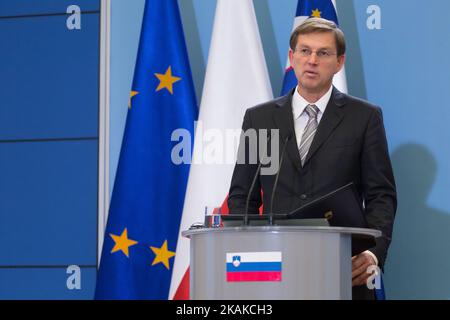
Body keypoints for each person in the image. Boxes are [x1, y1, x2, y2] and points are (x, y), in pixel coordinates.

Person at [227, 17, 397, 300]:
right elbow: (241, 195)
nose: (312, 60)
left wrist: (372, 253)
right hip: (273, 268)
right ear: (292, 58)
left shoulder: (364, 117)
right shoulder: (259, 118)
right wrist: (249, 251)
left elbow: (381, 195)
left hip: (342, 267)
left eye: (323, 53)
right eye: (305, 51)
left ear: (339, 62)